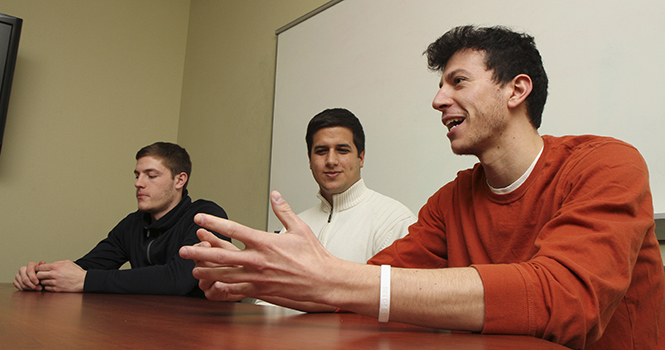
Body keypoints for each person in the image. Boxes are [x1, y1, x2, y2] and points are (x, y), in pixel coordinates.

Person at [179, 26, 665, 349]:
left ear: (516, 90)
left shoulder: (607, 164)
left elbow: (567, 300)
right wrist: (259, 278)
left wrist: (338, 280)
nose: (438, 100)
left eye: (457, 82)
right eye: (439, 86)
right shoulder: (451, 200)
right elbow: (363, 288)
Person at [14, 142, 230, 297]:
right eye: (137, 175)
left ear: (179, 180)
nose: (139, 183)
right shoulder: (132, 224)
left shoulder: (206, 216)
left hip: (205, 332)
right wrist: (40, 277)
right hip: (147, 325)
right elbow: (84, 268)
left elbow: (177, 279)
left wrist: (87, 280)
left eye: (151, 175)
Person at [292, 108, 416, 263]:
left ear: (361, 158)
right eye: (321, 151)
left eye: (342, 150)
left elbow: (406, 287)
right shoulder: (294, 227)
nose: (331, 161)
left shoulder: (395, 222)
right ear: (310, 161)